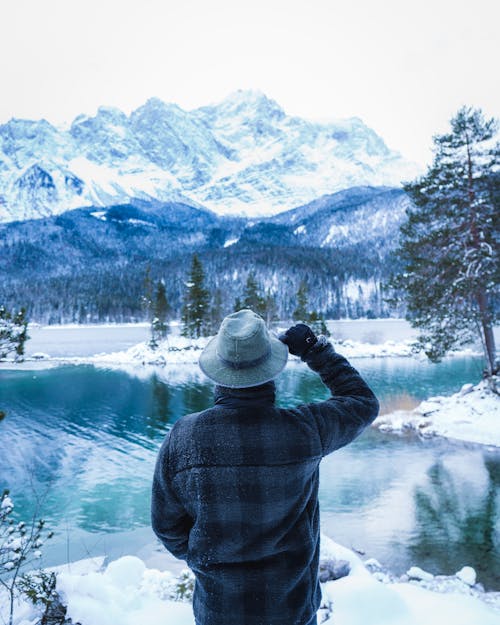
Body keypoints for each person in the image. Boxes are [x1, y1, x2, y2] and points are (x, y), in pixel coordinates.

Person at [151, 309, 379, 625]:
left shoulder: (185, 437)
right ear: (271, 371)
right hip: (291, 612)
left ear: (218, 373)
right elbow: (362, 402)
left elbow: (167, 528)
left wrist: (205, 558)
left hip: (219, 613)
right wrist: (315, 350)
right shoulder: (304, 431)